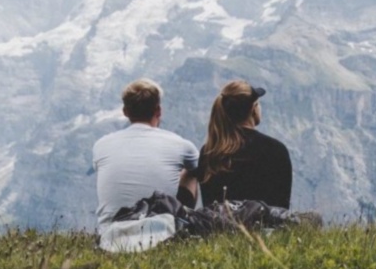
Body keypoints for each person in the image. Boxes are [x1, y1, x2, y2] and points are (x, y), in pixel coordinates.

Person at [92, 78, 199, 228]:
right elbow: (199, 170)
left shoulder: (101, 145)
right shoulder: (181, 145)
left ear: (125, 112)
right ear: (159, 111)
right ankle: (183, 225)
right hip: (163, 233)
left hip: (110, 235)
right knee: (191, 172)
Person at [194, 80, 292, 209]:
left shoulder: (210, 152)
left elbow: (209, 204)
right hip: (264, 222)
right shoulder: (275, 150)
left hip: (218, 221)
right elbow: (281, 208)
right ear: (253, 109)